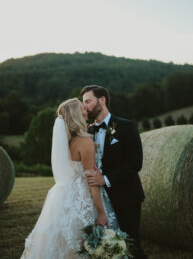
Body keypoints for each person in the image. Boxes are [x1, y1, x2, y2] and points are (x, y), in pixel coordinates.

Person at [20, 98, 119, 259]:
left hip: (67, 197)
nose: (86, 109)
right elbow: (91, 181)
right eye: (83, 108)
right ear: (76, 115)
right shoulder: (85, 142)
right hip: (84, 198)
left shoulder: (69, 141)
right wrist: (101, 212)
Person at [81, 85, 147, 259]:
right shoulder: (86, 132)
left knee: (131, 246)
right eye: (83, 103)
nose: (85, 106)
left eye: (88, 101)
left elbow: (135, 163)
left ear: (102, 100)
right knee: (103, 249)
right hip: (98, 201)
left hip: (126, 196)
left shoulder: (127, 126)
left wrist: (105, 179)